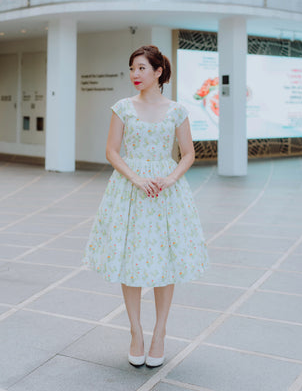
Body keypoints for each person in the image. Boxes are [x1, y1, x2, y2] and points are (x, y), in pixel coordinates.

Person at [83, 45, 209, 368]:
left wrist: (170, 178)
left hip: (166, 193)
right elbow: (112, 151)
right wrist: (137, 179)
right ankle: (136, 332)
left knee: (165, 263)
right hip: (130, 191)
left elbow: (189, 153)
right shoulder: (122, 108)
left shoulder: (177, 110)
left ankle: (160, 333)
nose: (134, 75)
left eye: (141, 68)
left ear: (158, 72)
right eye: (131, 68)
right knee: (132, 261)